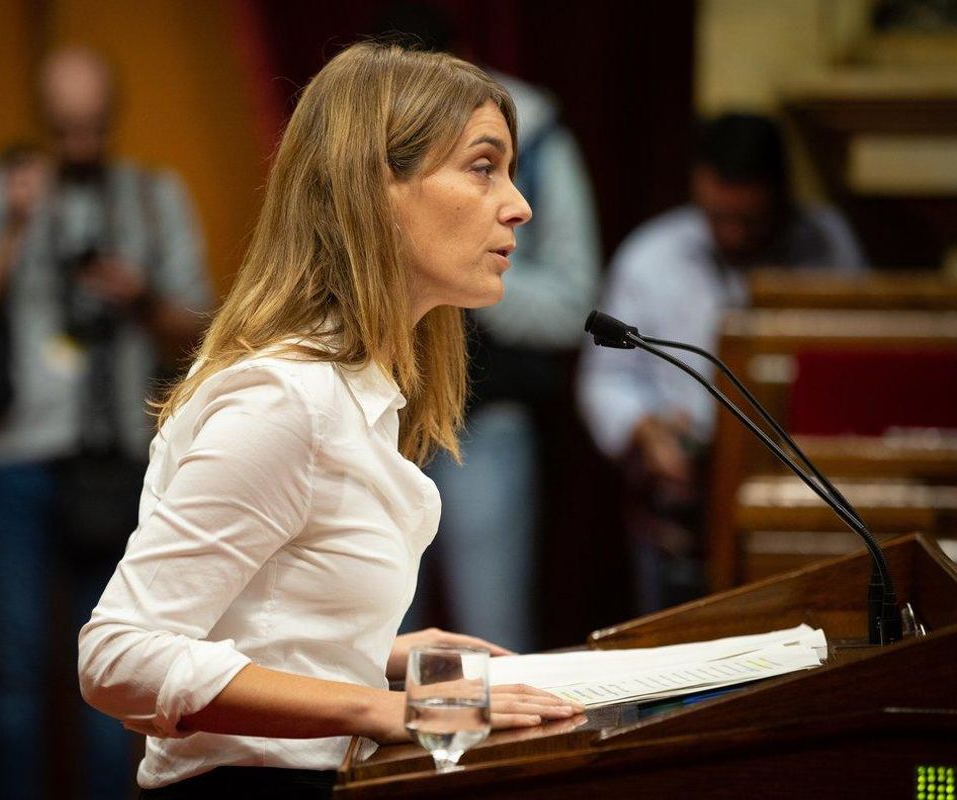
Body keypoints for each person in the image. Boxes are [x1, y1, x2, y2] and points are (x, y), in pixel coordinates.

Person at [78, 41, 585, 797]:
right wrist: (379, 705)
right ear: (379, 186)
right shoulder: (289, 403)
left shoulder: (356, 392)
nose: (519, 205)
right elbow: (116, 656)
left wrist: (383, 653)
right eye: (483, 167)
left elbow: (259, 616)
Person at [0, 48, 213, 800]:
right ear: (42, 121)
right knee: (18, 680)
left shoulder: (156, 198)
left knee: (119, 687)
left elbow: (201, 334)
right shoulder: (2, 191)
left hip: (120, 466)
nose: (79, 147)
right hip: (13, 465)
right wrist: (13, 226)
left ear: (112, 116)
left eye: (91, 129)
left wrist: (138, 293)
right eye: (64, 131)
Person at [577, 112, 866, 613]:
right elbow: (606, 380)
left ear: (780, 193)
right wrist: (646, 429)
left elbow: (860, 363)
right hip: (684, 499)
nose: (732, 235)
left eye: (748, 220)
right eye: (717, 218)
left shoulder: (829, 245)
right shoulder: (651, 256)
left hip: (801, 489)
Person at [378, 5, 601, 653]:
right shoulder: (349, 135)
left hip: (485, 414)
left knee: (490, 638)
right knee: (371, 637)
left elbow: (572, 304)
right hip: (372, 419)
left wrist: (459, 268)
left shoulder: (534, 131)